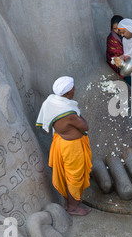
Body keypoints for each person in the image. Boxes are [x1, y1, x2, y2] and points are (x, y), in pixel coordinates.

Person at [36, 76, 93, 216]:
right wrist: (79, 115)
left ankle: (70, 203)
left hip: (61, 142)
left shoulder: (51, 101)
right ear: (67, 93)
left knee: (68, 175)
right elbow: (85, 126)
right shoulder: (69, 113)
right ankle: (73, 208)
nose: (74, 89)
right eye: (72, 88)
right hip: (72, 148)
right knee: (74, 177)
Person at [106, 15, 130, 83]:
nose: (117, 31)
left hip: (129, 60)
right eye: (114, 29)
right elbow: (113, 54)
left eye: (118, 28)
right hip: (117, 64)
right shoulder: (111, 39)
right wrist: (124, 56)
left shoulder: (128, 33)